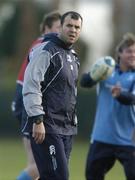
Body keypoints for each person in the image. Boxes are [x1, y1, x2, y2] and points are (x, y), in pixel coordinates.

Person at [22, 11, 83, 180]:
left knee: (53, 176)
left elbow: (70, 93)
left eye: (77, 27)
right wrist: (38, 119)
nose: (73, 30)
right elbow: (31, 84)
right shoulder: (46, 50)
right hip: (47, 126)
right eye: (69, 25)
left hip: (66, 128)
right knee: (59, 176)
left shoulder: (73, 56)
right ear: (61, 27)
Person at [11, 11, 61, 180]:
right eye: (58, 27)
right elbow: (33, 84)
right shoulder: (43, 46)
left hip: (26, 106)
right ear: (46, 28)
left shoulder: (44, 45)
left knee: (37, 167)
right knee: (39, 166)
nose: (62, 31)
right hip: (29, 108)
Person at [80, 32, 135, 180]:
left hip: (129, 140)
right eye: (129, 51)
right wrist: (93, 76)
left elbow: (132, 99)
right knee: (92, 176)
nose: (133, 55)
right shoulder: (107, 69)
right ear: (120, 53)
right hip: (102, 137)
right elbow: (84, 82)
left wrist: (119, 95)